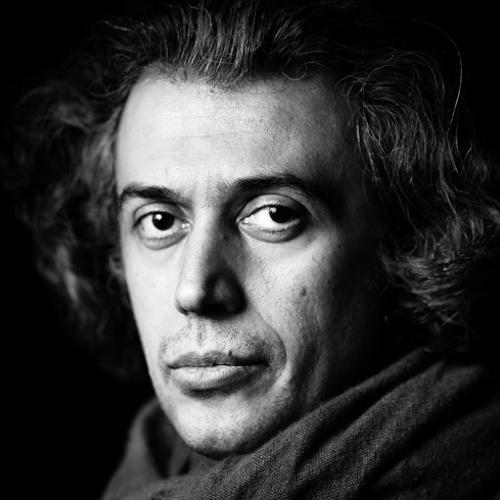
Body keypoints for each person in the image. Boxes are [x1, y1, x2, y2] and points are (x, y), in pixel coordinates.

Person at [5, 0, 500, 498]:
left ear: (408, 242)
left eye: (274, 215)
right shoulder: (144, 475)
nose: (195, 289)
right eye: (160, 221)